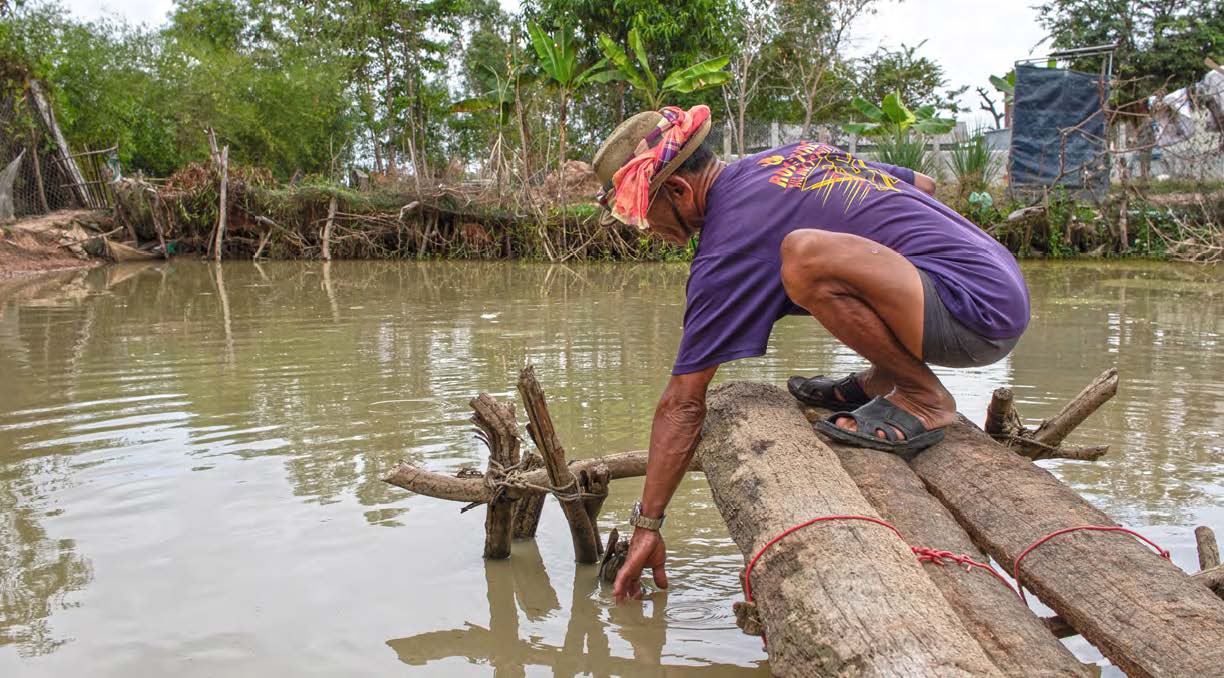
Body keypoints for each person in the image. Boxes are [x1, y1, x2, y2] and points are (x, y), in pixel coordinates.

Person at [591, 105, 1030, 601]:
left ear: (678, 191)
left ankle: (922, 396)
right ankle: (881, 378)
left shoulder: (729, 243)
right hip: (999, 277)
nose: (645, 229)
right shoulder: (787, 158)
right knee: (794, 267)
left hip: (975, 312)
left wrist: (648, 523)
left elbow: (684, 402)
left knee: (804, 261)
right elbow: (923, 185)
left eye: (640, 214)